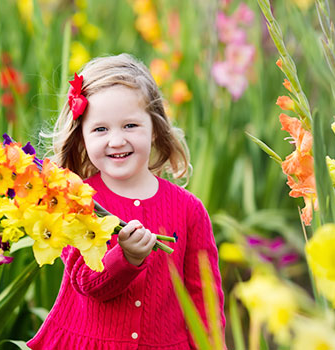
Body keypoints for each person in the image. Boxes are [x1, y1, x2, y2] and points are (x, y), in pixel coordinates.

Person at [26, 53, 225, 350]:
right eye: (100, 129)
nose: (116, 140)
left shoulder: (189, 209)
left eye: (130, 126)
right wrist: (126, 258)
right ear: (81, 137)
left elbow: (203, 297)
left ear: (155, 129)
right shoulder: (76, 201)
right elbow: (86, 282)